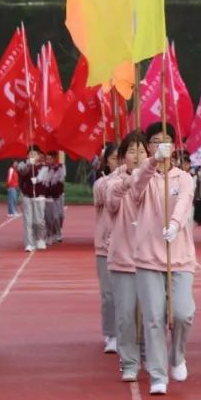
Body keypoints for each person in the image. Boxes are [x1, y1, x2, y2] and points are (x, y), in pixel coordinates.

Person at [132, 123, 196, 395]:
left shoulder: (184, 178)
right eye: (156, 141)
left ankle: (177, 355)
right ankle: (158, 375)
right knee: (154, 318)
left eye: (166, 140)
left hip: (179, 256)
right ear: (148, 147)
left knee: (183, 313)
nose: (162, 145)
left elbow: (184, 202)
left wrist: (175, 225)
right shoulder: (142, 174)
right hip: (148, 257)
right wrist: (151, 163)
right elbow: (136, 189)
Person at [107, 131, 149, 381]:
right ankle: (129, 361)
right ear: (123, 157)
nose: (137, 156)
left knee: (150, 314)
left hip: (150, 260)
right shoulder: (114, 183)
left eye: (141, 151)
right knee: (126, 314)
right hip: (123, 259)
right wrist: (129, 180)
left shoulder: (157, 181)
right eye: (132, 151)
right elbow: (111, 202)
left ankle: (147, 353)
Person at [93, 143, 120, 354]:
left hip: (131, 246)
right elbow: (105, 197)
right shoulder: (101, 184)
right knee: (109, 294)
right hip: (106, 246)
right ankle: (111, 334)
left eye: (121, 157)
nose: (118, 162)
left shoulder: (138, 181)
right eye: (113, 158)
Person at [17, 145, 47, 252]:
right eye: (30, 154)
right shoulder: (23, 164)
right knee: (28, 221)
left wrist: (37, 179)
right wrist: (29, 164)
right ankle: (29, 243)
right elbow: (21, 171)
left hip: (39, 196)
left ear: (39, 155)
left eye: (35, 154)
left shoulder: (43, 167)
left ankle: (40, 238)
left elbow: (44, 178)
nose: (32, 156)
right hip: (27, 196)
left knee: (39, 221)